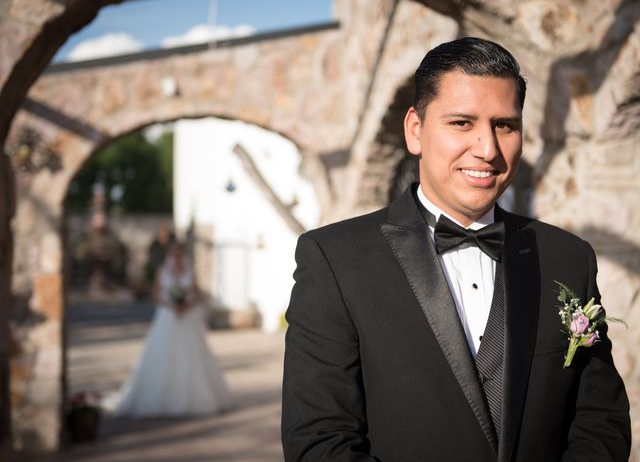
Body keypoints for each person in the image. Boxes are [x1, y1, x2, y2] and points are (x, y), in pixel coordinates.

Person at [281, 38, 631, 461]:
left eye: (504, 125)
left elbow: (600, 422)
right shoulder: (335, 259)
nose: (487, 149)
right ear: (415, 130)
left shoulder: (569, 258)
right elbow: (321, 442)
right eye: (462, 123)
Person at [116, 241, 233, 417]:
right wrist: (171, 305)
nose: (177, 256)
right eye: (174, 253)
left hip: (186, 319)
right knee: (162, 354)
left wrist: (186, 305)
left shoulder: (190, 273)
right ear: (170, 255)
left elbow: (199, 295)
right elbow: (156, 294)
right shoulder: (162, 273)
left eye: (180, 253)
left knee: (190, 356)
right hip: (167, 317)